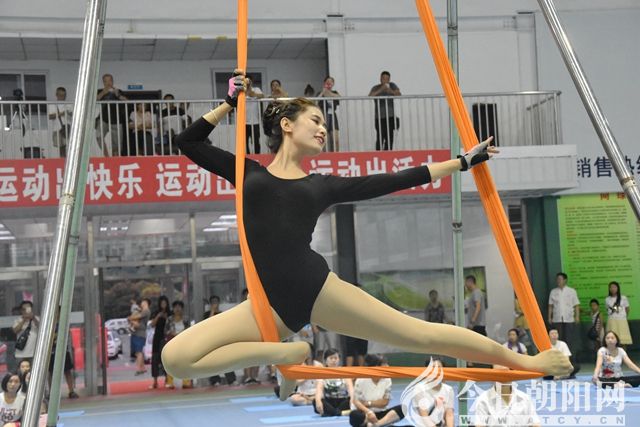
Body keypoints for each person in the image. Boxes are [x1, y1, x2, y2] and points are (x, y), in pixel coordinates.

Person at [161, 70, 572, 401]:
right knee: (176, 358)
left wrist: (460, 163)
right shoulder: (248, 172)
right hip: (266, 307)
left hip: (315, 288)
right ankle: (288, 353)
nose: (323, 129)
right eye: (315, 120)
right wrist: (229, 103)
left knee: (421, 334)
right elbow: (188, 141)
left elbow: (392, 180)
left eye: (325, 124)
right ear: (286, 124)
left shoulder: (320, 185)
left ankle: (526, 362)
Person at [473, 365, 541, 427]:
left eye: (506, 374)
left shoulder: (525, 398)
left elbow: (535, 423)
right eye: (499, 374)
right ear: (492, 374)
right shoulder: (483, 399)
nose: (503, 378)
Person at [203, 296, 238, 386]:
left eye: (216, 301)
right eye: (213, 302)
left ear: (219, 303)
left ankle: (231, 379)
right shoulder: (207, 314)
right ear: (210, 304)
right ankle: (215, 380)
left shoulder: (222, 314)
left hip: (221, 339)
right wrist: (212, 311)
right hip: (210, 340)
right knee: (213, 361)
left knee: (226, 359)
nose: (215, 303)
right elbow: (207, 324)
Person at [314, 349, 354, 417]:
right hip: (329, 401)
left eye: (335, 358)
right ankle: (339, 413)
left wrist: (352, 400)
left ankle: (331, 412)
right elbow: (319, 389)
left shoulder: (344, 371)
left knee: (354, 399)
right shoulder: (322, 373)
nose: (333, 360)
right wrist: (318, 401)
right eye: (331, 358)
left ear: (339, 360)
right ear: (325, 360)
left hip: (343, 401)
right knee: (315, 401)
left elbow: (350, 388)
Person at [547, 272, 580, 353]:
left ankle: (568, 357)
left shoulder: (571, 291)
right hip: (557, 319)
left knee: (569, 339)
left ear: (565, 280)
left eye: (560, 279)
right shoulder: (553, 292)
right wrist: (549, 317)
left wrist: (577, 316)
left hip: (569, 319)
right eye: (557, 279)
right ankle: (558, 356)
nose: (558, 281)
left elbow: (576, 305)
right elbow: (550, 305)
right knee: (558, 338)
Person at [96, 73, 127, 156]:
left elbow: (126, 101)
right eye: (105, 81)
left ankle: (115, 159)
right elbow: (95, 99)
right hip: (103, 118)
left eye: (109, 80)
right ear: (103, 82)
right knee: (98, 136)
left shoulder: (118, 91)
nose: (108, 83)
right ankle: (106, 156)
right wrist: (103, 92)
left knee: (117, 143)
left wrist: (118, 95)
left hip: (117, 119)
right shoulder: (100, 91)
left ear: (112, 81)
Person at [368, 71, 401, 151]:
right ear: (380, 79)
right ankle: (379, 154)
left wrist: (391, 91)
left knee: (389, 138)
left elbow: (399, 94)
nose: (385, 80)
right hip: (379, 117)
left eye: (387, 79)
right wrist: (381, 89)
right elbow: (370, 96)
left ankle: (388, 154)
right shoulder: (376, 87)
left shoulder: (392, 85)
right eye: (384, 78)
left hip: (390, 116)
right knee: (380, 137)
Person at [164, 301, 192, 389]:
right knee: (171, 362)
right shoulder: (169, 319)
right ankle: (169, 382)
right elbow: (165, 331)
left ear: (182, 308)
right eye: (175, 307)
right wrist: (172, 333)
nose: (177, 309)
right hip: (172, 342)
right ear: (173, 309)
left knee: (185, 362)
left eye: (179, 307)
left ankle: (186, 381)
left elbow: (190, 330)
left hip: (184, 343)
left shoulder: (186, 319)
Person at [149, 296, 170, 389]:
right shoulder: (156, 313)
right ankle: (155, 381)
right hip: (157, 337)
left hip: (166, 337)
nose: (163, 305)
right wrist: (158, 316)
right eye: (162, 303)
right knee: (155, 358)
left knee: (166, 359)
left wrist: (166, 317)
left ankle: (167, 380)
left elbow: (171, 323)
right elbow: (152, 325)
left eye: (165, 303)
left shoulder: (170, 313)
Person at [316, 76, 341, 151]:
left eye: (331, 82)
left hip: (332, 115)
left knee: (335, 139)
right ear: (324, 83)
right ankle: (325, 155)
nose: (329, 83)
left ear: (333, 84)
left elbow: (339, 97)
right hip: (323, 116)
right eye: (327, 82)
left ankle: (336, 155)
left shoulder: (335, 92)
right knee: (324, 139)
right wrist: (323, 92)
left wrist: (329, 93)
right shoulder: (320, 93)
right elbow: (316, 102)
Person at [605, 281, 632, 347]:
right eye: (611, 287)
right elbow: (607, 310)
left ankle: (623, 353)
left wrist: (623, 317)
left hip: (622, 321)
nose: (612, 289)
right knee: (612, 341)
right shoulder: (607, 299)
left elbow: (627, 309)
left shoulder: (623, 298)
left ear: (618, 288)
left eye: (614, 287)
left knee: (623, 342)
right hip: (611, 321)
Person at [12, 301, 39, 366]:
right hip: (21, 353)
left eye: (28, 308)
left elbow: (42, 328)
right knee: (21, 370)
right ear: (21, 310)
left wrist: (33, 318)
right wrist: (24, 320)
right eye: (24, 309)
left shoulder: (36, 319)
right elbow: (15, 330)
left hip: (34, 352)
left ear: (31, 309)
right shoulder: (18, 320)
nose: (26, 311)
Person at [47, 86, 72, 157]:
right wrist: (61, 113)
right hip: (57, 129)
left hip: (68, 128)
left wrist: (70, 113)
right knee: (61, 148)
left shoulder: (69, 104)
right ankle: (63, 161)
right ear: (56, 95)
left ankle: (66, 160)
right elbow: (50, 116)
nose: (62, 97)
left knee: (68, 147)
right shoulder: (52, 105)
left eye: (64, 95)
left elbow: (74, 115)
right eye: (60, 95)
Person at [128, 298, 150, 376]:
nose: (141, 303)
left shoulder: (146, 311)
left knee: (139, 352)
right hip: (137, 333)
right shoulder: (142, 310)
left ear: (146, 303)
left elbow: (138, 316)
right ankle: (142, 368)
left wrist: (130, 318)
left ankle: (138, 369)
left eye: (142, 302)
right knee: (139, 352)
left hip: (140, 334)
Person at [245, 76, 264, 154]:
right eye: (246, 81)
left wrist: (249, 90)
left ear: (252, 82)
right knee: (244, 142)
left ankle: (257, 156)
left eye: (249, 81)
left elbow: (262, 96)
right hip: (243, 122)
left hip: (255, 121)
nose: (247, 82)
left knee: (256, 141)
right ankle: (246, 157)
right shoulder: (241, 91)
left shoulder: (256, 89)